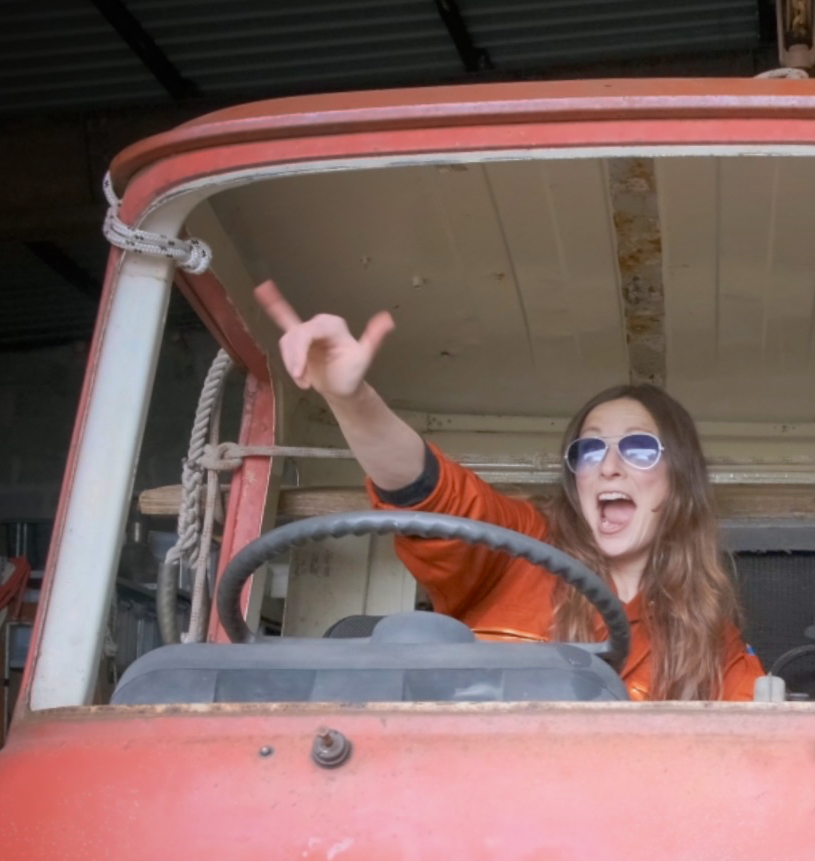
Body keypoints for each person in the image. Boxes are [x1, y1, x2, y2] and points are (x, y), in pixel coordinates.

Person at [254, 283, 761, 701]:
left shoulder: (708, 637)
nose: (608, 466)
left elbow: (770, 750)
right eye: (589, 451)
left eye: (639, 449)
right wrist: (352, 400)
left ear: (679, 482)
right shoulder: (524, 550)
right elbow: (430, 495)